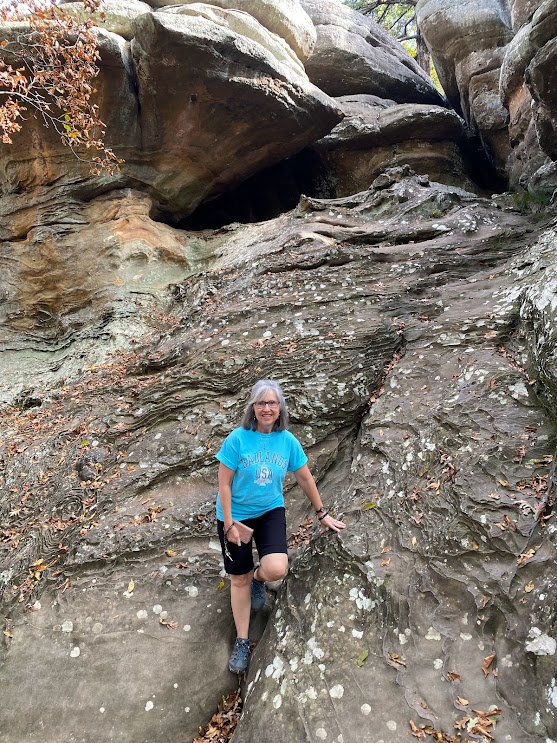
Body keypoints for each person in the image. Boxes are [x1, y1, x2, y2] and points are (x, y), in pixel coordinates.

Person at [216, 379, 346, 674]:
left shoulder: (287, 441)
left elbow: (304, 477)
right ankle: (242, 640)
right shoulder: (237, 439)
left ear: (280, 408)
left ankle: (258, 578)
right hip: (234, 514)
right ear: (253, 407)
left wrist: (322, 513)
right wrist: (229, 524)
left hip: (269, 510)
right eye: (261, 403)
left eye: (272, 403)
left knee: (276, 568)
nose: (267, 408)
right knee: (238, 579)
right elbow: (224, 484)